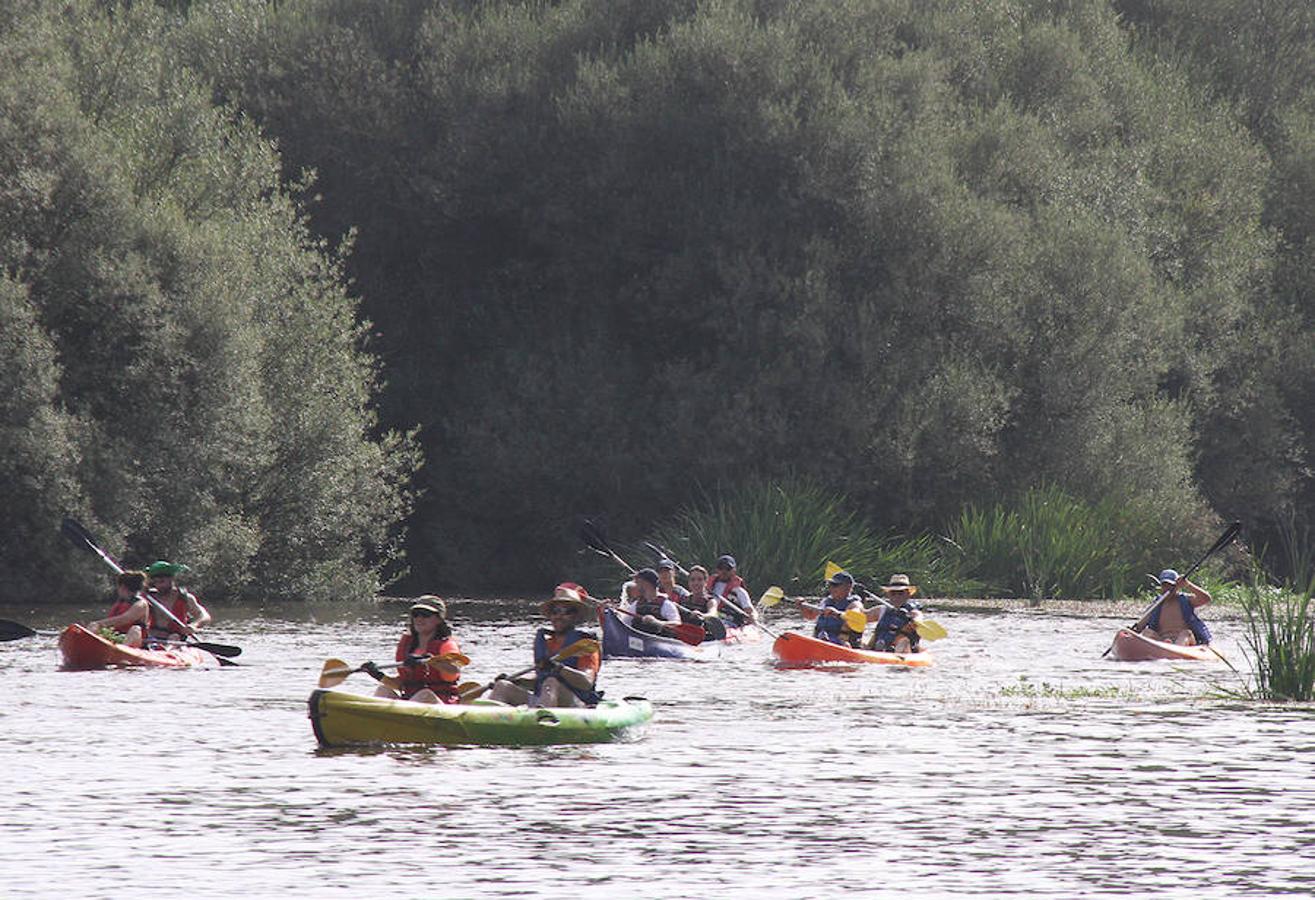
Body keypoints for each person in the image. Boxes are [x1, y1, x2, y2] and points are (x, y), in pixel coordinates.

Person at [489, 585, 602, 708]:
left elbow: (586, 682)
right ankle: (485, 720)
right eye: (555, 612)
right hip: (546, 698)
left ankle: (543, 718)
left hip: (576, 703)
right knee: (502, 686)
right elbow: (539, 680)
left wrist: (559, 668)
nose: (559, 616)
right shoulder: (548, 643)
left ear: (576, 617)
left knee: (551, 682)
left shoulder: (585, 646)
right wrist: (517, 681)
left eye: (567, 612)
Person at [364, 596, 463, 703]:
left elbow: (454, 670)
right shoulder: (408, 645)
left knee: (424, 694)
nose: (419, 619)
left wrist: (432, 661)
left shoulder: (446, 645)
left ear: (438, 619)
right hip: (411, 702)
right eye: (416, 614)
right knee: (383, 690)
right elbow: (401, 685)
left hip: (440, 703)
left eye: (426, 615)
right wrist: (378, 675)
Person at [142, 560, 211, 644]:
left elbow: (204, 616)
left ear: (171, 579)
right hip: (152, 637)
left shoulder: (185, 597)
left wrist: (194, 625)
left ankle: (168, 652)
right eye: (156, 582)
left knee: (174, 637)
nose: (159, 586)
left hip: (176, 638)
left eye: (162, 582)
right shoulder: (149, 598)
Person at [1139, 569, 1212, 646]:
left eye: (1171, 585)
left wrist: (1188, 585)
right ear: (1161, 586)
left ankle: (1176, 647)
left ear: (1177, 587)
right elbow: (1139, 627)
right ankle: (1165, 646)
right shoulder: (1156, 605)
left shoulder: (1186, 600)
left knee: (1186, 633)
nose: (1167, 588)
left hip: (1183, 642)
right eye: (1165, 585)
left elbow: (1206, 599)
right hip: (1162, 642)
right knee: (1147, 632)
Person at [88, 571, 150, 648]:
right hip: (117, 638)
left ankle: (121, 650)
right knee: (93, 627)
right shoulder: (121, 602)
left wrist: (99, 624)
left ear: (122, 587)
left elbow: (125, 619)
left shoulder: (141, 604)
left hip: (136, 643)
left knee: (135, 629)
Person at [866, 574, 924, 653]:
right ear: (888, 594)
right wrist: (859, 600)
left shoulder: (913, 612)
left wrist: (912, 620)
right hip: (879, 648)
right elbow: (861, 617)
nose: (897, 596)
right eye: (893, 593)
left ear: (908, 594)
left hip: (903, 649)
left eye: (900, 593)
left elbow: (919, 619)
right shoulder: (881, 610)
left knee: (904, 642)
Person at [619, 568, 683, 636]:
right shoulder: (636, 605)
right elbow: (624, 624)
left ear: (645, 583)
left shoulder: (666, 604)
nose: (635, 585)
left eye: (637, 582)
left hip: (658, 642)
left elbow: (677, 624)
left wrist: (657, 622)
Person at [809, 571, 864, 646]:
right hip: (822, 639)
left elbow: (855, 615)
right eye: (830, 585)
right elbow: (810, 616)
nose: (831, 588)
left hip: (842, 644)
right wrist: (801, 606)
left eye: (835, 585)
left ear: (848, 587)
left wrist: (837, 613)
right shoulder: (826, 602)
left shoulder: (855, 604)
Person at [707, 554, 757, 626]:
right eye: (721, 568)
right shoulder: (708, 585)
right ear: (717, 569)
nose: (724, 571)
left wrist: (753, 617)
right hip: (711, 617)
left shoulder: (739, 591)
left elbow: (750, 610)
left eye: (728, 568)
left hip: (730, 622)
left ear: (734, 570)